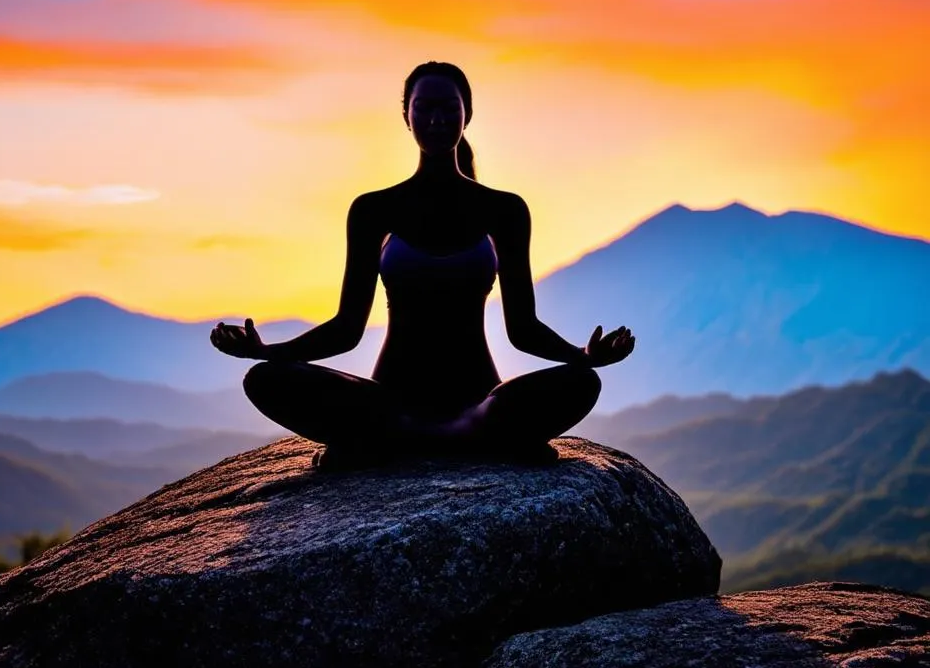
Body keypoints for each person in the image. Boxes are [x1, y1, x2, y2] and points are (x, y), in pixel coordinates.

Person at [210, 60, 635, 469]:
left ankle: (384, 445)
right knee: (265, 379)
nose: (436, 119)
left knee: (582, 383)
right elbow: (346, 328)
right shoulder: (373, 210)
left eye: (449, 108)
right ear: (406, 116)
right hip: (388, 403)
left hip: (479, 405)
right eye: (424, 108)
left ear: (467, 115)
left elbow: (522, 329)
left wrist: (583, 356)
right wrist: (267, 352)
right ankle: (472, 443)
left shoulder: (504, 210)